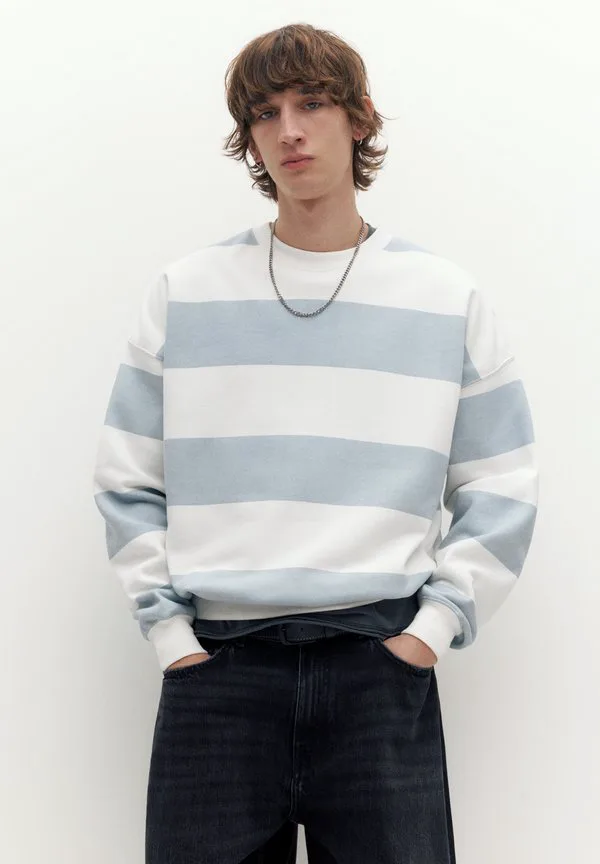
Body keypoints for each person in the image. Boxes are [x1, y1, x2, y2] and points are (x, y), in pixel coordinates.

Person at [92, 23, 539, 864]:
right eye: (265, 114)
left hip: (379, 669)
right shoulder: (185, 293)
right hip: (218, 672)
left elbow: (502, 486)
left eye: (312, 103)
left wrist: (428, 633)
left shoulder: (444, 298)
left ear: (360, 117)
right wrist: (172, 640)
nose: (288, 131)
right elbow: (127, 479)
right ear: (249, 138)